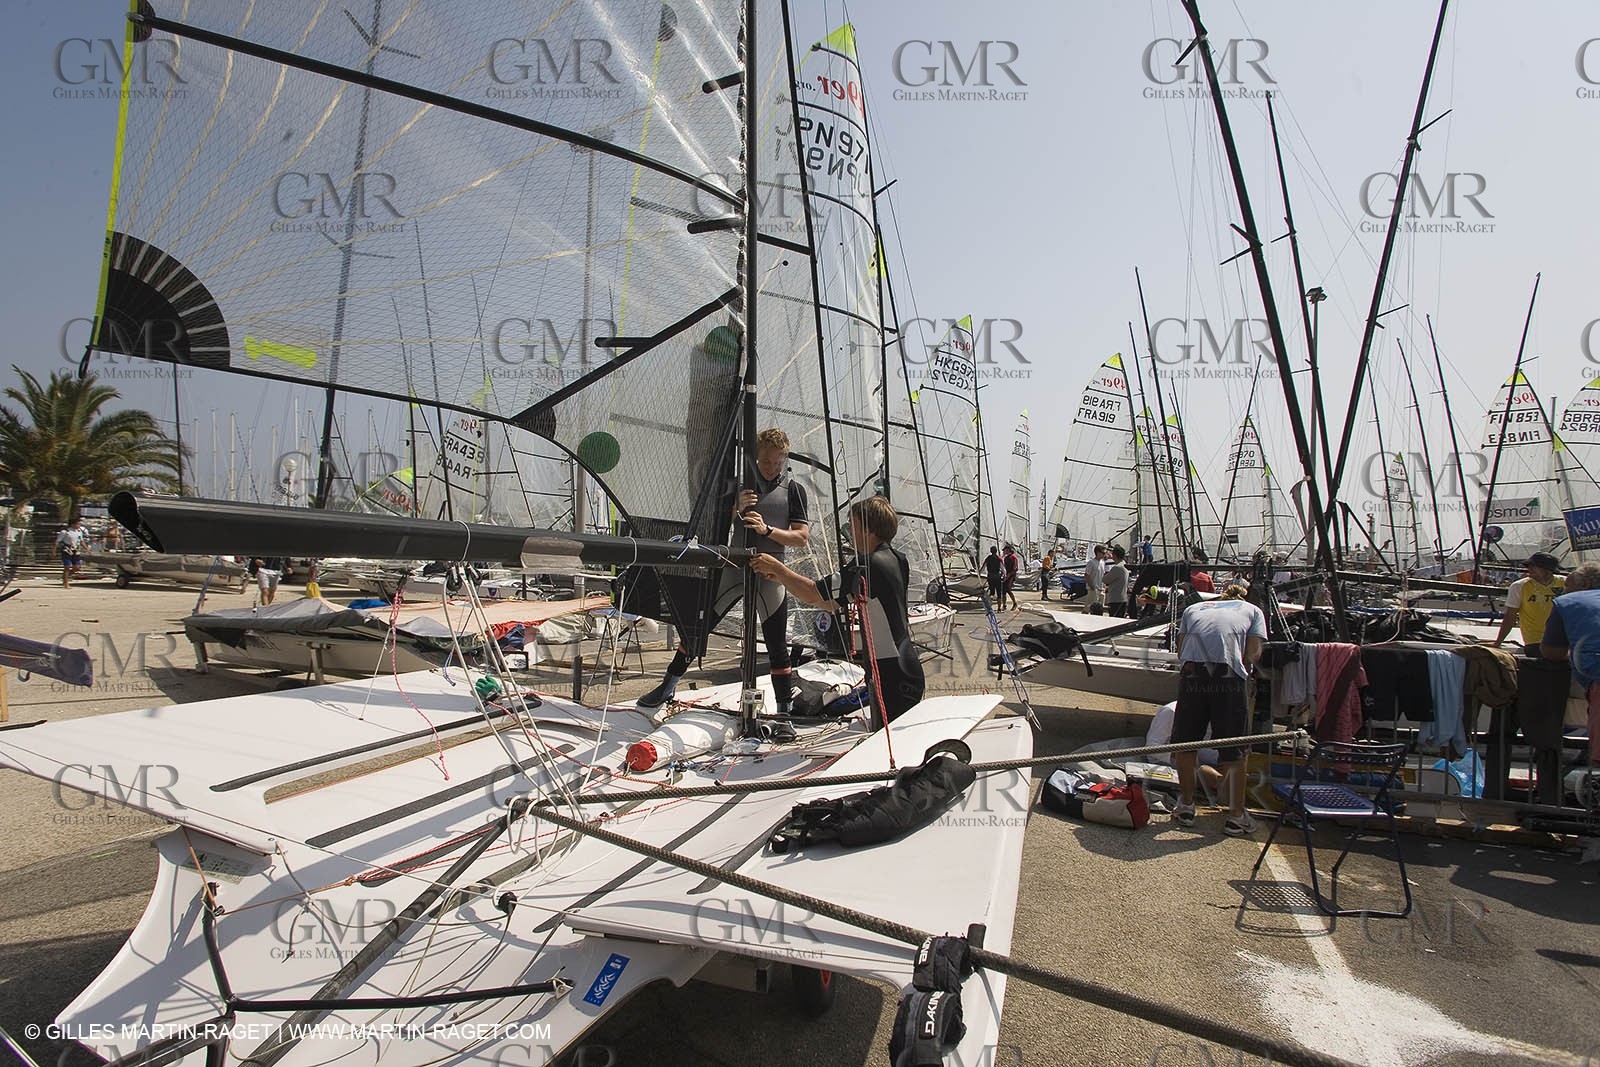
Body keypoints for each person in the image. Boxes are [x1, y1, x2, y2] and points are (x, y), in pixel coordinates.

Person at [639, 427, 810, 713]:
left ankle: (784, 712)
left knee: (777, 645)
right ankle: (667, 686)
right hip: (734, 567)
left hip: (770, 571)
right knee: (697, 628)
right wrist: (735, 508)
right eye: (765, 462)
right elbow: (714, 527)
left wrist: (767, 530)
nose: (772, 468)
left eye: (778, 462)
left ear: (785, 458)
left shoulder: (794, 490)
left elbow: (801, 538)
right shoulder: (739, 485)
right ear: (756, 458)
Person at [752, 496, 924, 726]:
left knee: (887, 741)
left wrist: (778, 568)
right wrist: (783, 579)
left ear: (867, 529)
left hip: (890, 675)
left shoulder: (867, 565)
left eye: (853, 525)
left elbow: (814, 593)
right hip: (905, 666)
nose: (849, 531)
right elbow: (829, 603)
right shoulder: (896, 559)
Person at [1169, 583, 1267, 835]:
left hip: (1192, 672)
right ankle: (1236, 816)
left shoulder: (1194, 609)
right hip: (1227, 676)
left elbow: (1181, 650)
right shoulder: (1253, 611)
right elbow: (1253, 653)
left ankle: (1186, 806)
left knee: (1185, 743)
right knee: (1234, 747)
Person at [1539, 561, 1600, 763]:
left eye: (1567, 586)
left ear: (1584, 585)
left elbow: (1552, 652)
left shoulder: (1567, 602)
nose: (1564, 591)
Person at [1493, 552, 1565, 653]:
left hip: (1563, 639)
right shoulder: (1519, 586)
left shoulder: (1565, 583)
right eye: (1528, 566)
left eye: (1534, 566)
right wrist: (1498, 643)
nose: (1529, 569)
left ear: (1548, 570)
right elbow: (1510, 616)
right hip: (1534, 641)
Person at [56, 516, 88, 587]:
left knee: (77, 567)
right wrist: (53, 551)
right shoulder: (65, 532)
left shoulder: (79, 532)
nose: (79, 525)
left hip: (76, 551)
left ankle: (65, 577)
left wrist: (87, 549)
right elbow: (57, 541)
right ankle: (66, 583)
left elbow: (81, 541)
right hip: (67, 550)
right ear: (73, 524)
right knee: (67, 566)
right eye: (78, 524)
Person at [1105, 546, 1130, 618]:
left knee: (1114, 619)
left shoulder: (1117, 567)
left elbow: (1105, 579)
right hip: (1123, 598)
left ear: (1114, 555)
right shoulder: (1125, 565)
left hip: (1115, 599)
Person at [1084, 544, 1107, 611]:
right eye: (1103, 553)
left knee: (1100, 608)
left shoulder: (1103, 562)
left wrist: (1104, 586)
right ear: (1098, 552)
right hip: (1093, 589)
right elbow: (1087, 575)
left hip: (1101, 589)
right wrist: (1092, 587)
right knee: (1088, 608)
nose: (1104, 555)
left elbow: (1103, 575)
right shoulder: (1091, 562)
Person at [1002, 543, 1021, 610]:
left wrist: (1008, 575)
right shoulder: (1005, 558)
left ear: (1008, 550)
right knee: (1003, 590)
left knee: (1008, 589)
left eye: (1005, 550)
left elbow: (1015, 568)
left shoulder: (1013, 557)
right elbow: (1004, 567)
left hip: (1011, 576)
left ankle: (1014, 603)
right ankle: (1004, 605)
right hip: (1006, 575)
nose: (1004, 552)